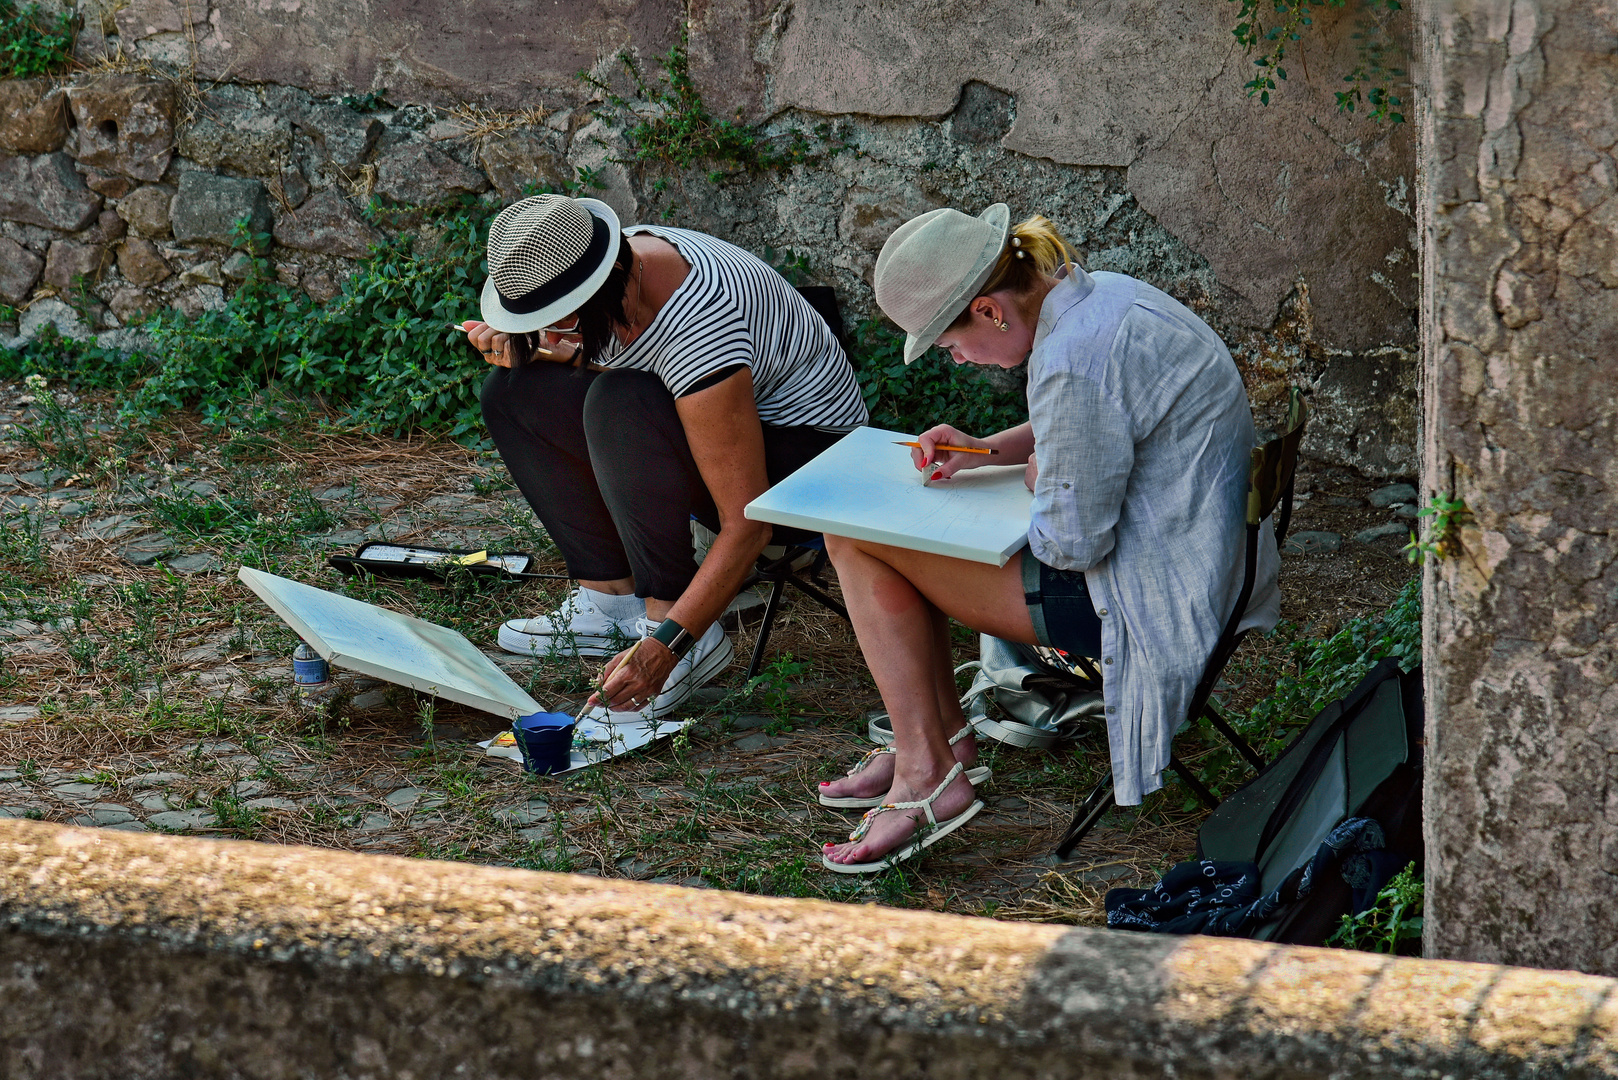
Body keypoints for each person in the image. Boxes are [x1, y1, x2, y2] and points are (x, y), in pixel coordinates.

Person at [817, 204, 1278, 873]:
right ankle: (938, 743)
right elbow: (1098, 417)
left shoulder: (1072, 359)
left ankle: (928, 769)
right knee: (875, 540)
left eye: (953, 345)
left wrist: (1041, 478)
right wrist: (991, 450)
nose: (965, 360)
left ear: (989, 310)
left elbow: (1071, 546)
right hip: (1209, 564)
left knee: (856, 542)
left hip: (1149, 598)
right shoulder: (1105, 298)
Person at [459, 194, 868, 731]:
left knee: (621, 403)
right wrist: (539, 348)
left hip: (813, 460)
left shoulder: (700, 323)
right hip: (712, 412)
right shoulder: (600, 258)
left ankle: (672, 619)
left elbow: (749, 519)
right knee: (514, 389)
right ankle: (610, 601)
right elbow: (625, 357)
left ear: (594, 298)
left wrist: (671, 643)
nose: (550, 331)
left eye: (557, 321)